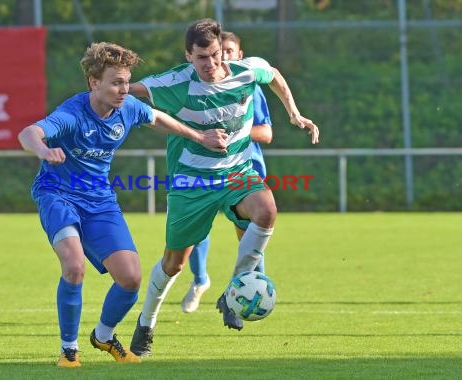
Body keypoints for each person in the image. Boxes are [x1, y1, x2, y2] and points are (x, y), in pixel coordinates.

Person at [18, 42, 227, 367]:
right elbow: (29, 132)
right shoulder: (73, 113)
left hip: (99, 200)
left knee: (130, 278)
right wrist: (44, 151)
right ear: (93, 83)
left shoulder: (128, 107)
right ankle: (69, 350)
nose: (123, 89)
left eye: (126, 82)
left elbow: (157, 117)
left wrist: (199, 138)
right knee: (74, 267)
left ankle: (103, 336)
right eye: (115, 82)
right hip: (57, 194)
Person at [128, 19, 319, 356]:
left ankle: (234, 288)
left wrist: (294, 112)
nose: (211, 64)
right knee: (174, 264)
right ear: (188, 56)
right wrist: (100, 95)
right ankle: (145, 323)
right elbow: (128, 92)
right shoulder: (173, 83)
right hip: (191, 182)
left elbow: (272, 73)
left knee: (267, 211)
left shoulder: (246, 70)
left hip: (237, 173)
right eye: (202, 57)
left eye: (215, 55)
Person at [181, 30, 273, 315]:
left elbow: (266, 132)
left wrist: (233, 131)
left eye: (230, 51)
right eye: (224, 51)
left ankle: (251, 292)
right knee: (195, 231)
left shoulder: (249, 86)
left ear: (239, 56)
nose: (226, 57)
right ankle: (200, 281)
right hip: (203, 170)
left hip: (242, 171)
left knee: (249, 234)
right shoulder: (196, 87)